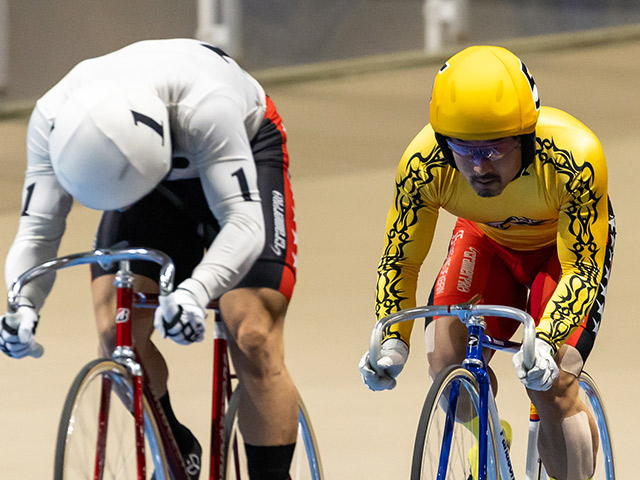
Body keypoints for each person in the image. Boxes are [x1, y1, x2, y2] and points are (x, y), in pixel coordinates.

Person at [0, 38, 300, 480]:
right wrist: (21, 303)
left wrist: (196, 291)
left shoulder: (207, 106)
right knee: (115, 333)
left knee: (253, 332)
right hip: (144, 180)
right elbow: (37, 231)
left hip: (241, 145)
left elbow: (245, 224)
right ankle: (175, 447)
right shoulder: (50, 118)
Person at [359, 45, 615, 480]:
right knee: (444, 365)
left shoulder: (576, 159)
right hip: (488, 240)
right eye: (465, 149)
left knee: (550, 384)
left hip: (562, 252)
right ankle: (492, 437)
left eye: (495, 149)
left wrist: (548, 345)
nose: (479, 167)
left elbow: (582, 269)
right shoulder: (424, 164)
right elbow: (400, 258)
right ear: (443, 142)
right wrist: (392, 336)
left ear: (525, 136)